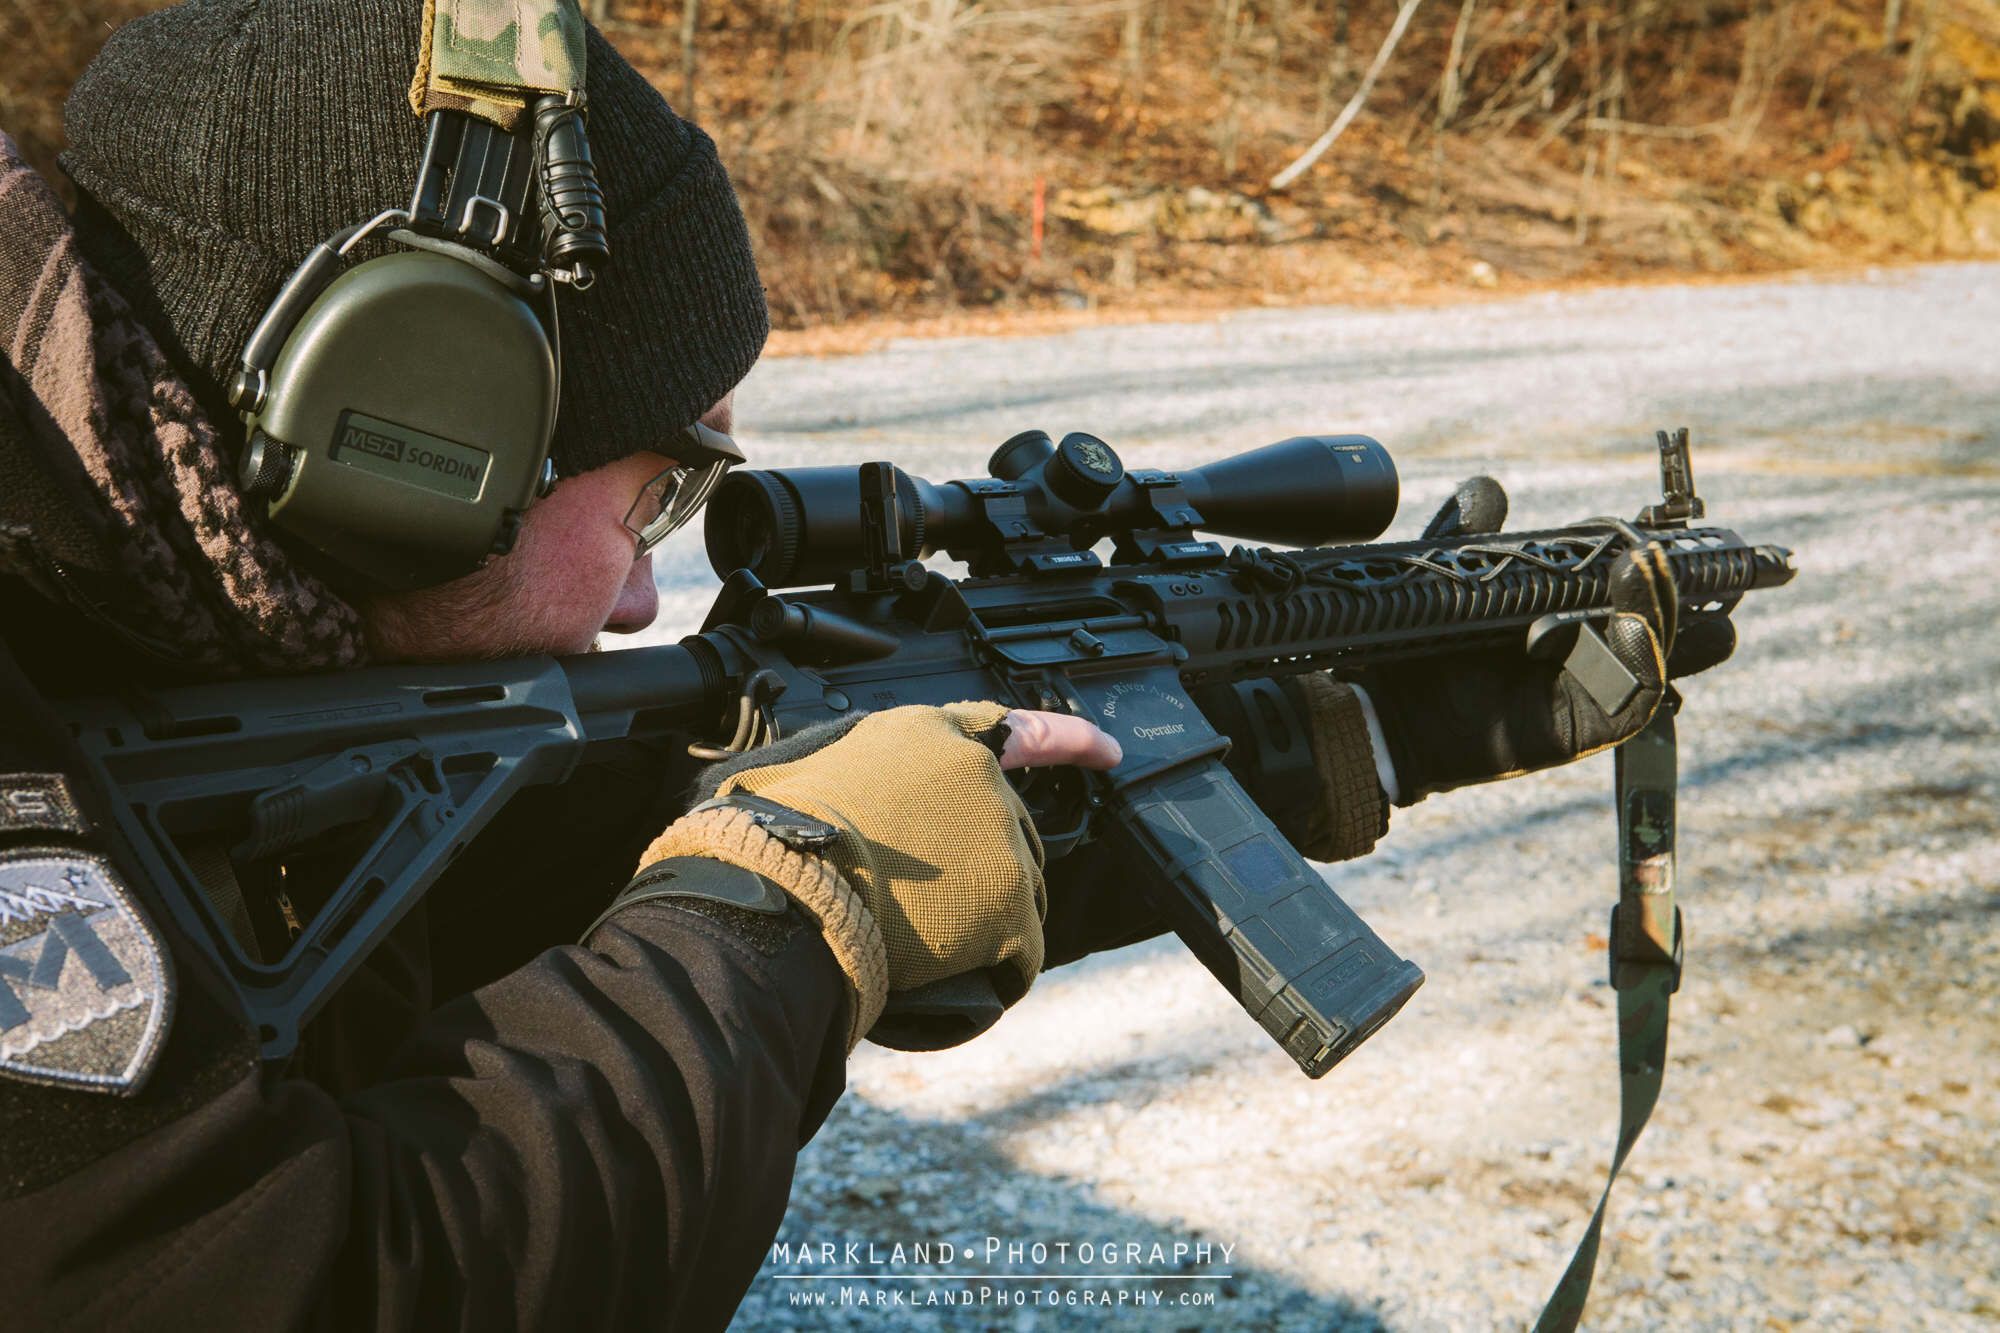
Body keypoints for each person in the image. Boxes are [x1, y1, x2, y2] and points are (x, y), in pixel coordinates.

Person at [0, 2, 1702, 1327]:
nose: (636, 604)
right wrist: (791, 900)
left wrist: (1345, 731)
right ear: (410, 430)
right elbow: (310, 1285)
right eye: (658, 490)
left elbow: (482, 889)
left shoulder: (170, 628)